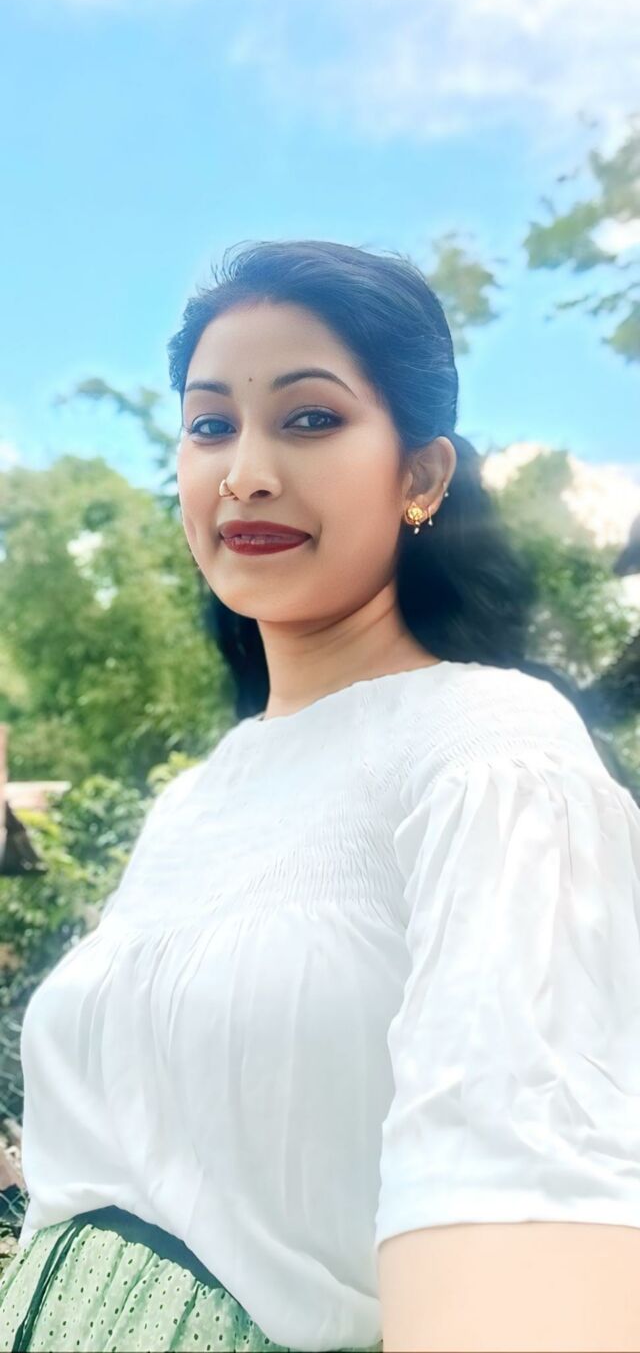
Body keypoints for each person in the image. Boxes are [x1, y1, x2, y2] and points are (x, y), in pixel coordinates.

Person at [1, 238, 639, 1352]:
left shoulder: (490, 746)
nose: (245, 471)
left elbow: (527, 1201)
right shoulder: (192, 800)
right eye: (210, 425)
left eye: (308, 417)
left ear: (421, 477)